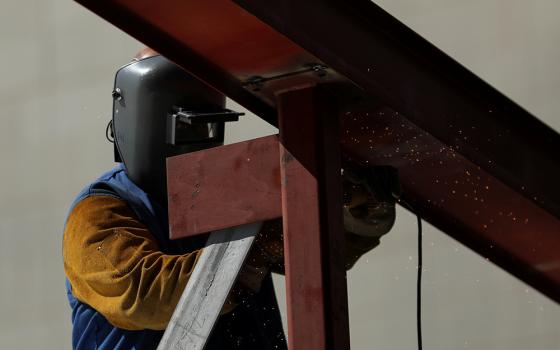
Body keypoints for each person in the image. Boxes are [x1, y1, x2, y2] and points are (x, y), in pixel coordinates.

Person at [62, 48, 398, 350]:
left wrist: (359, 206)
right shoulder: (101, 210)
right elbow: (144, 295)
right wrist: (254, 253)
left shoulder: (229, 198)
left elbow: (316, 248)